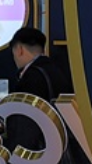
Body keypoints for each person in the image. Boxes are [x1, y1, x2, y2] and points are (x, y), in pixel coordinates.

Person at [9, 27, 71, 155]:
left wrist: (19, 154)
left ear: (19, 49)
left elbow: (25, 122)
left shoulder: (31, 77)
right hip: (61, 146)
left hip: (39, 152)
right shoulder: (56, 70)